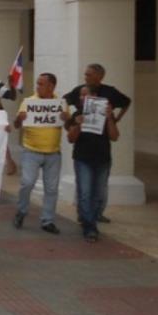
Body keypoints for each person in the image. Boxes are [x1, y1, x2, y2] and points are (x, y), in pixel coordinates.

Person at [63, 63, 131, 224]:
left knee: (100, 191)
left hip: (102, 154)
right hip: (82, 155)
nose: (85, 77)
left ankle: (97, 214)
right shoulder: (78, 111)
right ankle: (87, 221)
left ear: (99, 77)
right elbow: (64, 103)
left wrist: (114, 118)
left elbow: (126, 103)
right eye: (85, 74)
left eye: (89, 75)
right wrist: (68, 118)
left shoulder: (110, 92)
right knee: (85, 191)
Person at [13, 73, 68, 235]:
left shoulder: (60, 104)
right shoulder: (29, 102)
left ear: (52, 86)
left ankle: (48, 220)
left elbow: (68, 125)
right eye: (37, 84)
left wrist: (67, 119)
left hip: (53, 153)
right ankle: (21, 211)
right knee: (27, 183)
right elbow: (17, 125)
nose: (38, 87)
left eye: (41, 84)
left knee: (51, 188)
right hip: (31, 151)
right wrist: (19, 119)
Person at [66, 86, 119, 243]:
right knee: (85, 193)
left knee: (98, 194)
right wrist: (78, 125)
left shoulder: (107, 113)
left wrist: (109, 118)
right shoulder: (77, 114)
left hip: (102, 159)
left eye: (85, 95)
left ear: (94, 97)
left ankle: (89, 218)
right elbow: (70, 138)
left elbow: (115, 136)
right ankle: (90, 227)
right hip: (83, 159)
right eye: (81, 96)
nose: (82, 98)